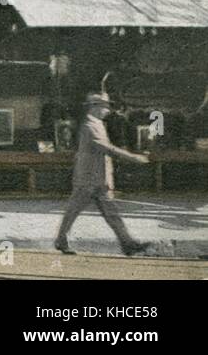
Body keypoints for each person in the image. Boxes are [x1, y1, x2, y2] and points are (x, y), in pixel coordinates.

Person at [54, 92, 153, 257]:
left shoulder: (98, 124)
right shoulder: (89, 126)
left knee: (112, 213)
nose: (107, 110)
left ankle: (128, 244)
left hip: (100, 179)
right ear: (94, 108)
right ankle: (61, 240)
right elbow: (105, 148)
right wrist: (133, 157)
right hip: (88, 178)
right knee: (73, 211)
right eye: (104, 106)